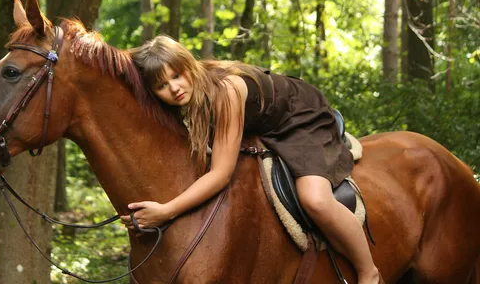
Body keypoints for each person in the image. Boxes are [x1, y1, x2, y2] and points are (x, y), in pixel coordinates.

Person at [120, 35, 382, 284]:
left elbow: (221, 174)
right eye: (161, 85)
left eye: (176, 75)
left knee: (315, 199)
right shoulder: (186, 100)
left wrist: (167, 211)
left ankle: (368, 271)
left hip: (298, 118)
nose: (174, 88)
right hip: (264, 125)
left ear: (188, 65)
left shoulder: (226, 91)